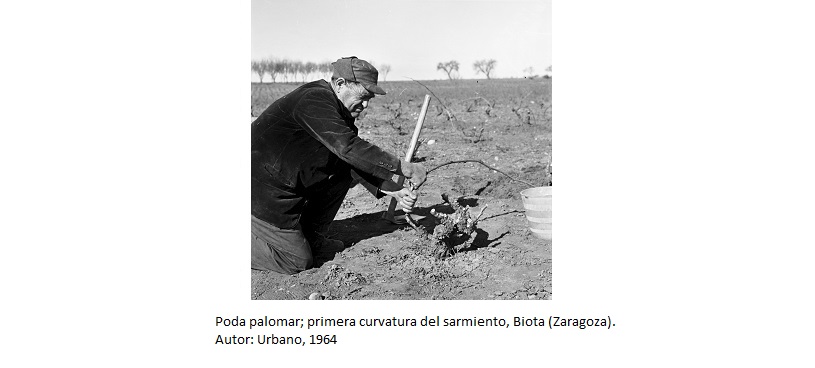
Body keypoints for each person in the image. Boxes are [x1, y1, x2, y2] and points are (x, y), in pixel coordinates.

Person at [251, 56, 427, 274]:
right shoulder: (314, 99)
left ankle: (313, 237)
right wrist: (405, 168)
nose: (365, 105)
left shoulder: (339, 116)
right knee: (295, 261)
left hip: (284, 184)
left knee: (343, 172)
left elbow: (350, 160)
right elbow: (348, 147)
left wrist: (396, 190)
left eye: (369, 99)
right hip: (260, 192)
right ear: (341, 84)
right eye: (363, 97)